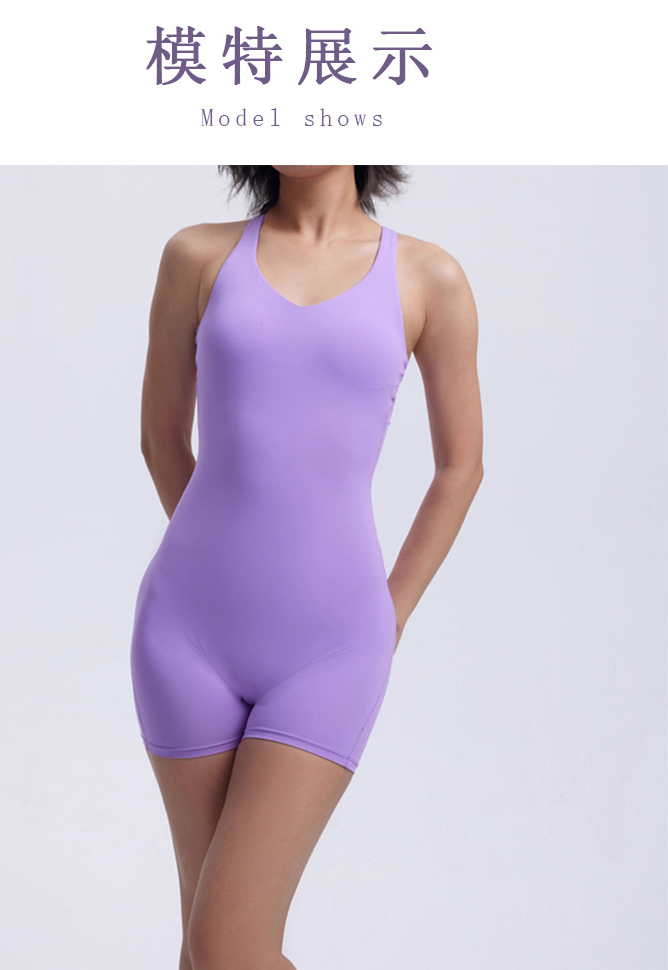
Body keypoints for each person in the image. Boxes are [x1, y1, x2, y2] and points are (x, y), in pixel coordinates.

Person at [130, 164, 484, 970]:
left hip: (331, 647)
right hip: (185, 634)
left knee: (224, 944)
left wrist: (391, 612)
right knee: (206, 949)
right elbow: (160, 438)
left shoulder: (429, 277)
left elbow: (461, 467)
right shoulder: (196, 257)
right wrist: (223, 558)